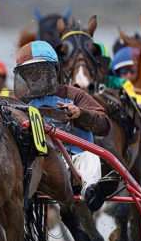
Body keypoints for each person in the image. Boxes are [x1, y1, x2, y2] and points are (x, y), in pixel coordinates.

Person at [14, 41, 111, 211]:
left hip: (76, 158)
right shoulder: (21, 103)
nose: (36, 78)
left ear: (55, 71)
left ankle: (91, 192)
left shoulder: (74, 95)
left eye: (41, 72)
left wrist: (81, 113)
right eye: (31, 74)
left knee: (91, 157)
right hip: (43, 161)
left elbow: (104, 124)